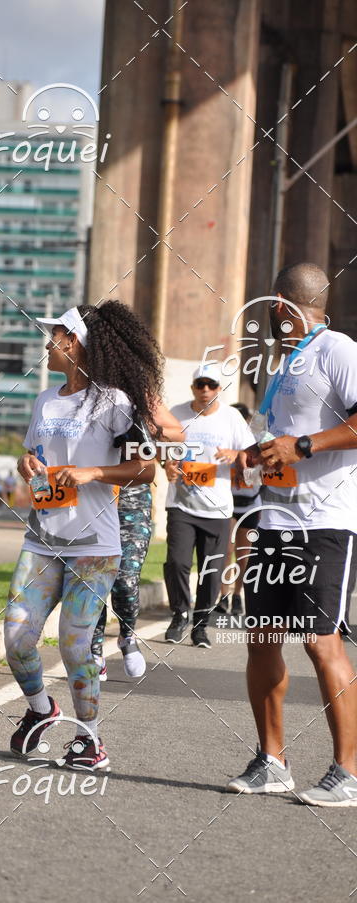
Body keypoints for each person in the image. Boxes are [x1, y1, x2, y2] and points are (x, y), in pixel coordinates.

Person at [5, 301, 162, 770]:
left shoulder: (115, 402)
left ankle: (90, 739)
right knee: (16, 638)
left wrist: (95, 471)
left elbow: (146, 468)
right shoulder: (45, 400)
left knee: (74, 644)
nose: (46, 343)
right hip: (42, 540)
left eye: (53, 335)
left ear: (73, 342)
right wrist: (26, 463)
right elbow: (34, 454)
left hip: (95, 548)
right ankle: (41, 712)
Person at [227, 262, 357, 806]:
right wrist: (251, 457)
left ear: (281, 306)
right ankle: (272, 760)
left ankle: (347, 773)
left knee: (319, 641)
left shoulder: (339, 350)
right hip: (274, 519)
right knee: (262, 640)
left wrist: (303, 446)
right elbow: (277, 441)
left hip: (324, 522)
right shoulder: (287, 365)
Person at [91, 402, 184, 681]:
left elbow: (177, 434)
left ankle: (127, 636)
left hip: (133, 502)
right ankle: (94, 649)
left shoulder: (137, 395)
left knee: (126, 579)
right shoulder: (86, 397)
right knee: (95, 579)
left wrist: (153, 429)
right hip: (94, 499)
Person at [163, 363, 254, 648]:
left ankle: (200, 626)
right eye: (200, 384)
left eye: (211, 385)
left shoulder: (232, 418)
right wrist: (166, 464)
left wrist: (236, 453)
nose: (205, 390)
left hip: (217, 508)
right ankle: (180, 613)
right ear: (193, 387)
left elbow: (253, 456)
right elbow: (161, 450)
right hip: (181, 503)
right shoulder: (176, 414)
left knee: (211, 570)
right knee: (177, 562)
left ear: (219, 389)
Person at [216, 402, 261, 616]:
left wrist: (241, 461)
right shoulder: (223, 441)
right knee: (226, 551)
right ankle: (223, 596)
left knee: (245, 555)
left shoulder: (256, 443)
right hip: (228, 503)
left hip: (251, 505)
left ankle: (237, 596)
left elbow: (258, 477)